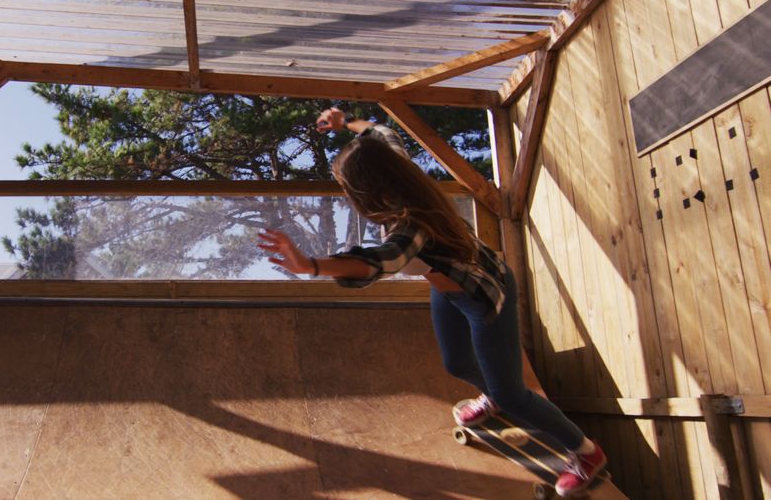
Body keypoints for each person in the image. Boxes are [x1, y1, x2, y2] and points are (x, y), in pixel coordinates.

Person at [257, 108, 607, 497]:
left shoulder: (413, 224)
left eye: (348, 190)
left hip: (486, 295)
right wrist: (347, 124)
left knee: (513, 395)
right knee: (456, 363)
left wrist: (311, 266)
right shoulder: (400, 173)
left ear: (368, 192)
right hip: (450, 288)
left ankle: (585, 452)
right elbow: (383, 133)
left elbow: (384, 260)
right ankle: (492, 391)